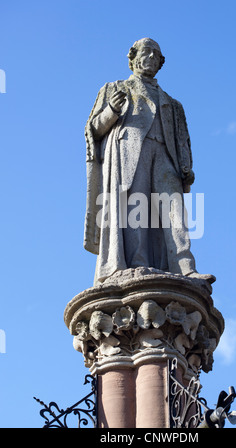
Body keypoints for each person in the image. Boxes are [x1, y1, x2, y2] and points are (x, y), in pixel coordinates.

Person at [84, 38, 214, 287]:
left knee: (175, 209)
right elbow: (93, 130)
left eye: (157, 55)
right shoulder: (115, 88)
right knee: (135, 206)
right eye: (147, 52)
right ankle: (136, 264)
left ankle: (185, 268)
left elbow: (182, 139)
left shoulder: (173, 103)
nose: (152, 58)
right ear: (132, 57)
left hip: (165, 155)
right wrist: (111, 110)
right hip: (128, 152)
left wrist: (186, 165)